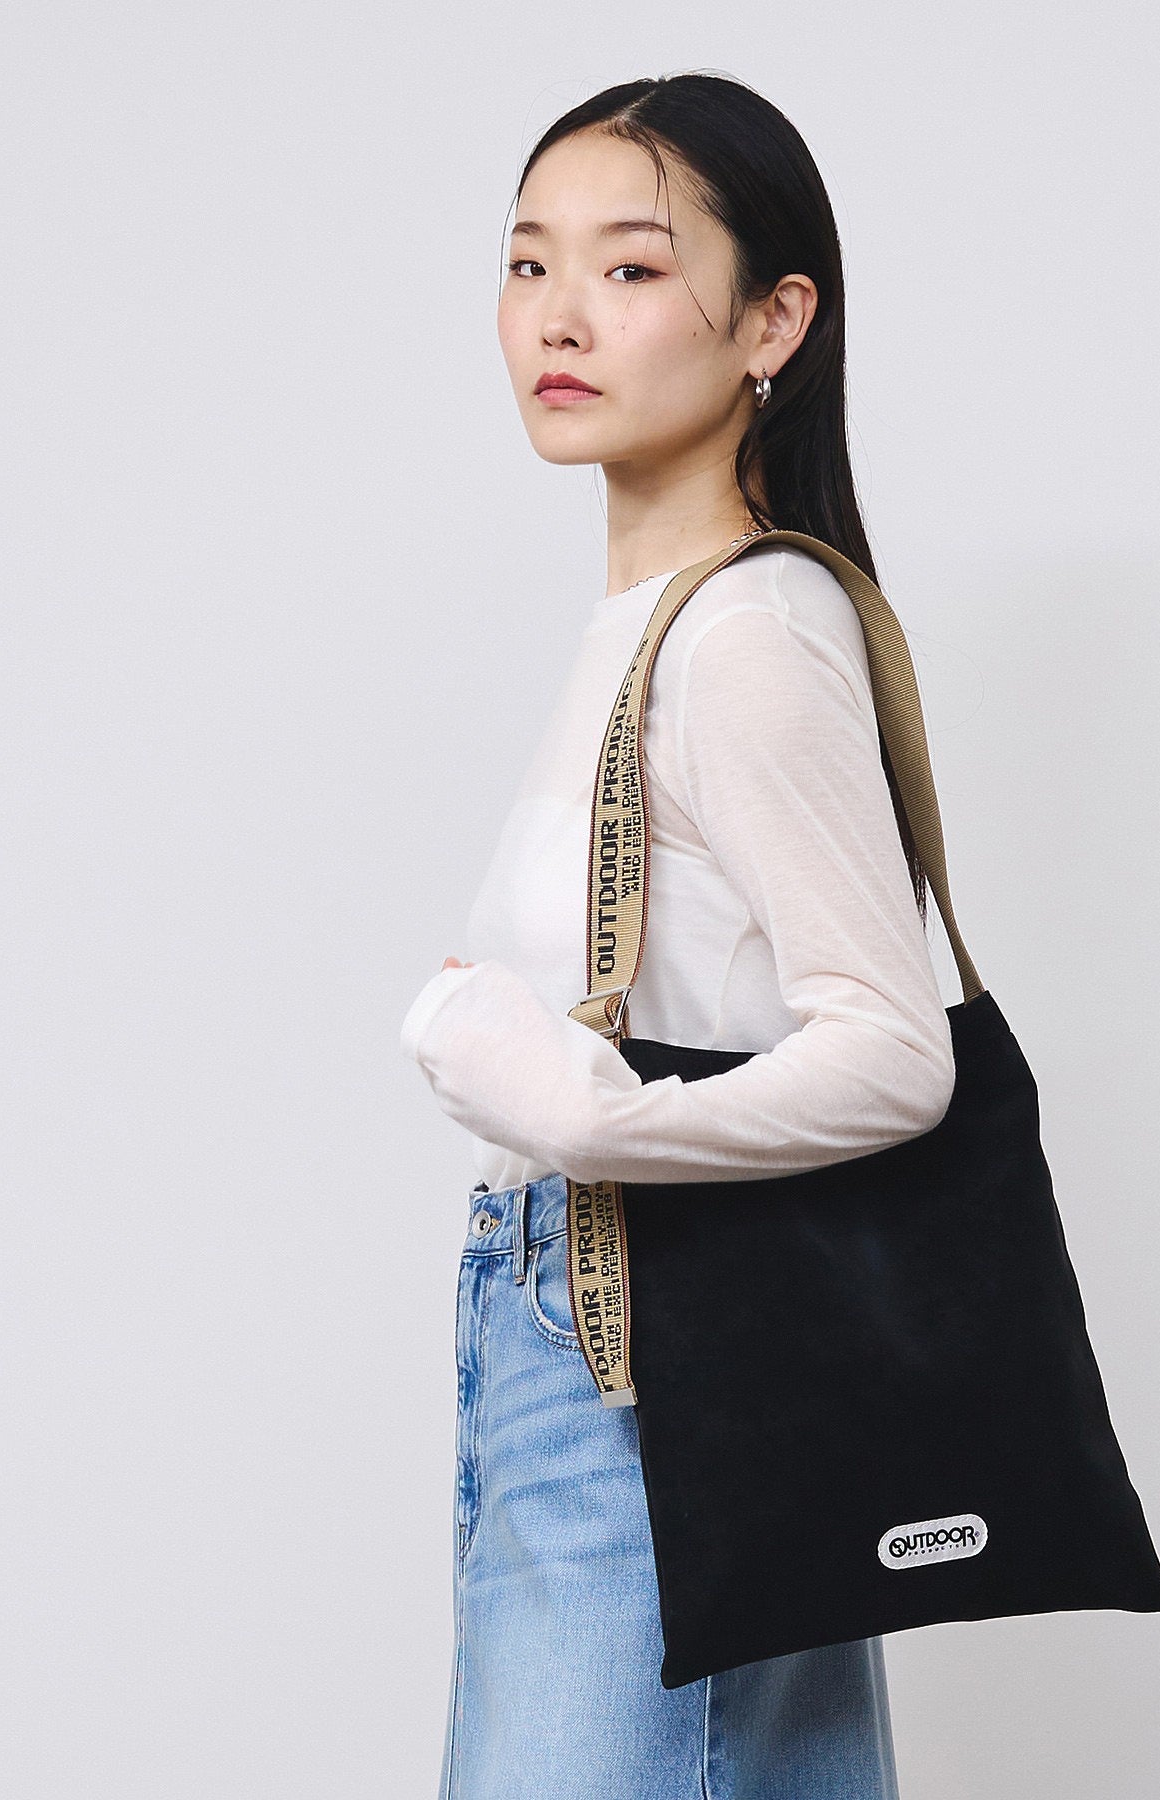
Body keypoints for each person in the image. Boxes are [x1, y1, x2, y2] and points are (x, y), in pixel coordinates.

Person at [400, 72, 956, 1800]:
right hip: (592, 1347)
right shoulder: (654, 629)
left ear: (775, 320)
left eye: (632, 269)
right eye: (529, 262)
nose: (559, 316)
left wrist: (589, 1113)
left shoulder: (747, 637)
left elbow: (896, 1052)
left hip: (651, 1360)